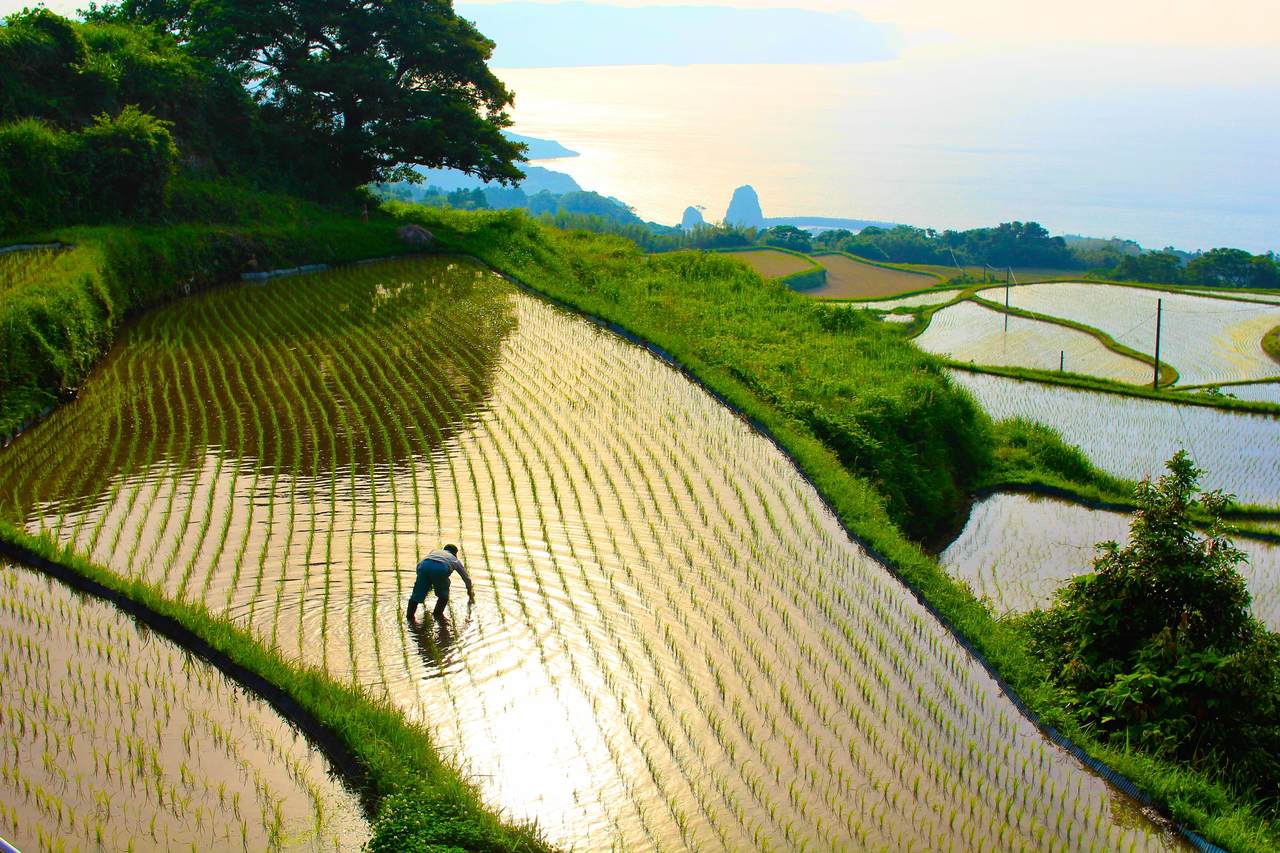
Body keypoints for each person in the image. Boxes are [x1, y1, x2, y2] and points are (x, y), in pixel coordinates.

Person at [406, 544, 474, 622]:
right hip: (441, 568)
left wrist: (425, 583)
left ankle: (409, 618)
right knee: (443, 596)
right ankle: (437, 615)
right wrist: (469, 592)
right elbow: (466, 578)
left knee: (416, 595)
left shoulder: (434, 552)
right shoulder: (454, 559)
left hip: (423, 566)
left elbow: (422, 566)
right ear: (455, 553)